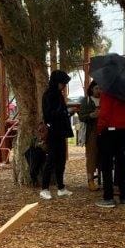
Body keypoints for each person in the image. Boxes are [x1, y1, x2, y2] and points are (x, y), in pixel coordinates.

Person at [39, 69, 74, 200]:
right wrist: (65, 112)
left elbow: (59, 112)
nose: (64, 86)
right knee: (51, 160)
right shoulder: (49, 95)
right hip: (53, 130)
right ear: (56, 82)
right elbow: (49, 115)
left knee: (61, 160)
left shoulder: (58, 94)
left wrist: (68, 112)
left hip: (61, 131)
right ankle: (44, 188)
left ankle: (61, 187)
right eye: (62, 83)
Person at [96, 88, 125, 208]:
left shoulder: (108, 92)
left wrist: (100, 129)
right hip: (124, 129)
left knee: (106, 165)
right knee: (123, 164)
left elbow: (105, 113)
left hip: (109, 130)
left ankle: (108, 197)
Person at [78, 80, 101, 191]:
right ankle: (90, 180)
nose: (98, 91)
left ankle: (105, 178)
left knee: (104, 155)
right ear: (91, 89)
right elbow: (81, 116)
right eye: (96, 88)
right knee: (91, 156)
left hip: (104, 131)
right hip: (91, 132)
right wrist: (91, 115)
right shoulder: (86, 101)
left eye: (100, 88)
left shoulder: (105, 100)